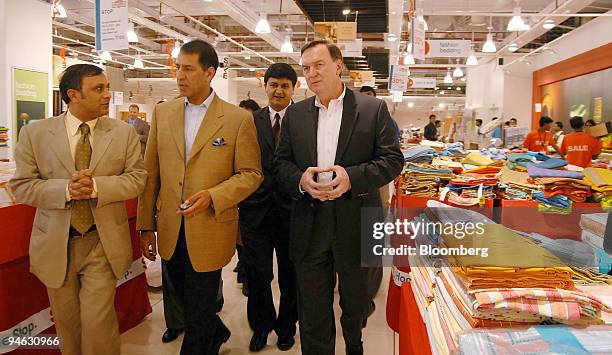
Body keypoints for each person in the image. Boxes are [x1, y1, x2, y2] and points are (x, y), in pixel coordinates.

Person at [274, 40, 404, 355]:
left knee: (356, 304)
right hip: (310, 224)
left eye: (319, 65)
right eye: (306, 68)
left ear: (338, 64)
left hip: (356, 222)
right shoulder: (296, 115)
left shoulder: (372, 110)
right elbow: (280, 164)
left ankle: (354, 345)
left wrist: (351, 178)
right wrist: (301, 180)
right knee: (314, 312)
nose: (312, 73)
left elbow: (392, 160)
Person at [9, 64, 147, 354]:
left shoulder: (123, 133)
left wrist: (96, 187)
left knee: (98, 322)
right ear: (73, 94)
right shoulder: (35, 134)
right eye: (99, 89)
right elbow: (22, 186)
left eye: (107, 87)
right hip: (56, 243)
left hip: (102, 241)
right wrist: (65, 190)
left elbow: (137, 179)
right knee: (67, 324)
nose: (108, 95)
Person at [137, 39, 263, 355]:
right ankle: (215, 331)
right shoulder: (163, 113)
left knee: (201, 297)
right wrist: (145, 225)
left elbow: (251, 174)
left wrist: (214, 195)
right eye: (178, 67)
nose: (180, 75)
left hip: (210, 224)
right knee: (181, 293)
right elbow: (151, 173)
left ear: (209, 73)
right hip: (169, 225)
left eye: (188, 69)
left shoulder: (237, 119)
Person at [238, 63, 299, 352]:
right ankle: (261, 327)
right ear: (265, 86)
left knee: (291, 276)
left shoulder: (304, 120)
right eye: (273, 84)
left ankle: (287, 328)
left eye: (285, 85)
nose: (278, 90)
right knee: (258, 275)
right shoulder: (250, 121)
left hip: (293, 212)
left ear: (294, 89)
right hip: (256, 211)